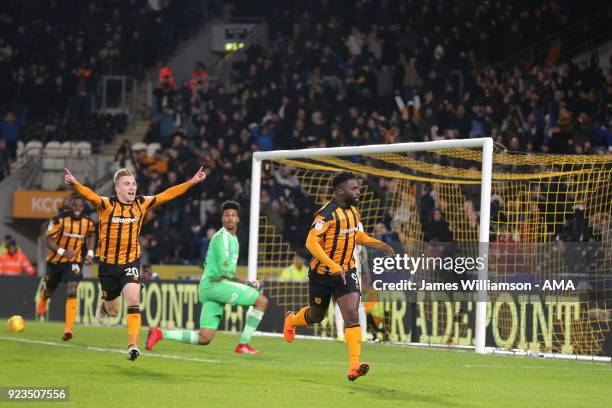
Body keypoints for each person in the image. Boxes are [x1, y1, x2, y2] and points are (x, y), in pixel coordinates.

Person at [64, 166, 206, 361]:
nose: (132, 187)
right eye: (127, 184)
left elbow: (167, 194)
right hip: (107, 266)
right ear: (117, 189)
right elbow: (90, 195)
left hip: (130, 261)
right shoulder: (106, 205)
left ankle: (132, 344)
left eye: (133, 183)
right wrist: (75, 184)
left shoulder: (142, 203)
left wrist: (191, 182)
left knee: (133, 298)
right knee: (113, 310)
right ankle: (105, 305)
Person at [283, 172, 395, 381]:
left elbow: (356, 235)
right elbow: (311, 242)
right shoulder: (325, 214)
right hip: (322, 274)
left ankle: (354, 365)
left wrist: (381, 245)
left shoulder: (354, 211)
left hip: (347, 271)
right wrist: (332, 265)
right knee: (317, 315)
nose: (359, 192)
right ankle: (292, 320)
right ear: (340, 191)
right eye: (355, 189)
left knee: (351, 312)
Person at [146, 201, 268, 355]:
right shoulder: (221, 238)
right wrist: (247, 282)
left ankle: (159, 333)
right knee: (261, 301)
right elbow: (225, 270)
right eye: (226, 215)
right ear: (222, 219)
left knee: (205, 337)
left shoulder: (233, 239)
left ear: (238, 219)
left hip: (209, 287)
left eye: (233, 215)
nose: (230, 218)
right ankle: (243, 344)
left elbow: (226, 270)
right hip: (215, 284)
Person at [36, 196, 96, 341]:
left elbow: (92, 234)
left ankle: (69, 328)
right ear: (70, 206)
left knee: (72, 288)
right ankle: (44, 298)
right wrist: (62, 251)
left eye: (80, 207)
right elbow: (47, 240)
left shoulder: (88, 222)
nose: (77, 209)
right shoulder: (58, 219)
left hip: (74, 260)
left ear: (83, 208)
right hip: (56, 260)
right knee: (50, 289)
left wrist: (90, 253)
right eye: (75, 206)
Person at [335, 221, 369, 342]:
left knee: (353, 302)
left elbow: (361, 248)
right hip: (342, 268)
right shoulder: (339, 222)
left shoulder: (357, 224)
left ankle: (361, 334)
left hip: (352, 269)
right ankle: (342, 334)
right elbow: (361, 248)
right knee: (348, 301)